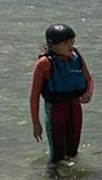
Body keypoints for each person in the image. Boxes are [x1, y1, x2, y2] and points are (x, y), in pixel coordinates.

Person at [30, 23, 94, 164]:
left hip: (75, 108)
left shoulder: (76, 56)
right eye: (66, 43)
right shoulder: (44, 63)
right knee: (57, 156)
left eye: (72, 41)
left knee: (73, 152)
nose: (71, 45)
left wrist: (88, 94)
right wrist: (36, 123)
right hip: (55, 111)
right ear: (52, 46)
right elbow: (34, 96)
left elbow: (89, 78)